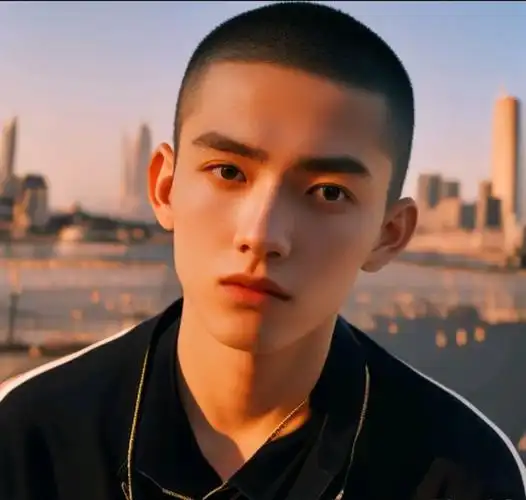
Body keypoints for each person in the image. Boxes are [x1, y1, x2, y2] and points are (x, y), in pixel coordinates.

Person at [1, 2, 525, 499]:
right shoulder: (28, 439)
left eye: (329, 193)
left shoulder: (464, 475)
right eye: (229, 172)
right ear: (165, 188)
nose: (263, 234)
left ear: (388, 234)